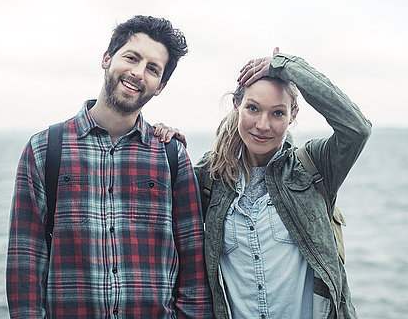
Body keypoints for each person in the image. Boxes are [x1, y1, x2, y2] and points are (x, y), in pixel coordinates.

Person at [6, 15, 212, 318]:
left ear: (161, 86)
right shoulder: (43, 150)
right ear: (107, 58)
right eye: (132, 57)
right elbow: (26, 263)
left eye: (152, 69)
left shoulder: (171, 156)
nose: (138, 73)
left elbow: (194, 266)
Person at [154, 48, 371, 319]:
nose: (263, 125)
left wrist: (286, 66)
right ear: (237, 106)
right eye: (253, 109)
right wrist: (163, 143)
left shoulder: (314, 167)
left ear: (292, 115)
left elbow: (357, 128)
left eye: (277, 113)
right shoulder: (210, 177)